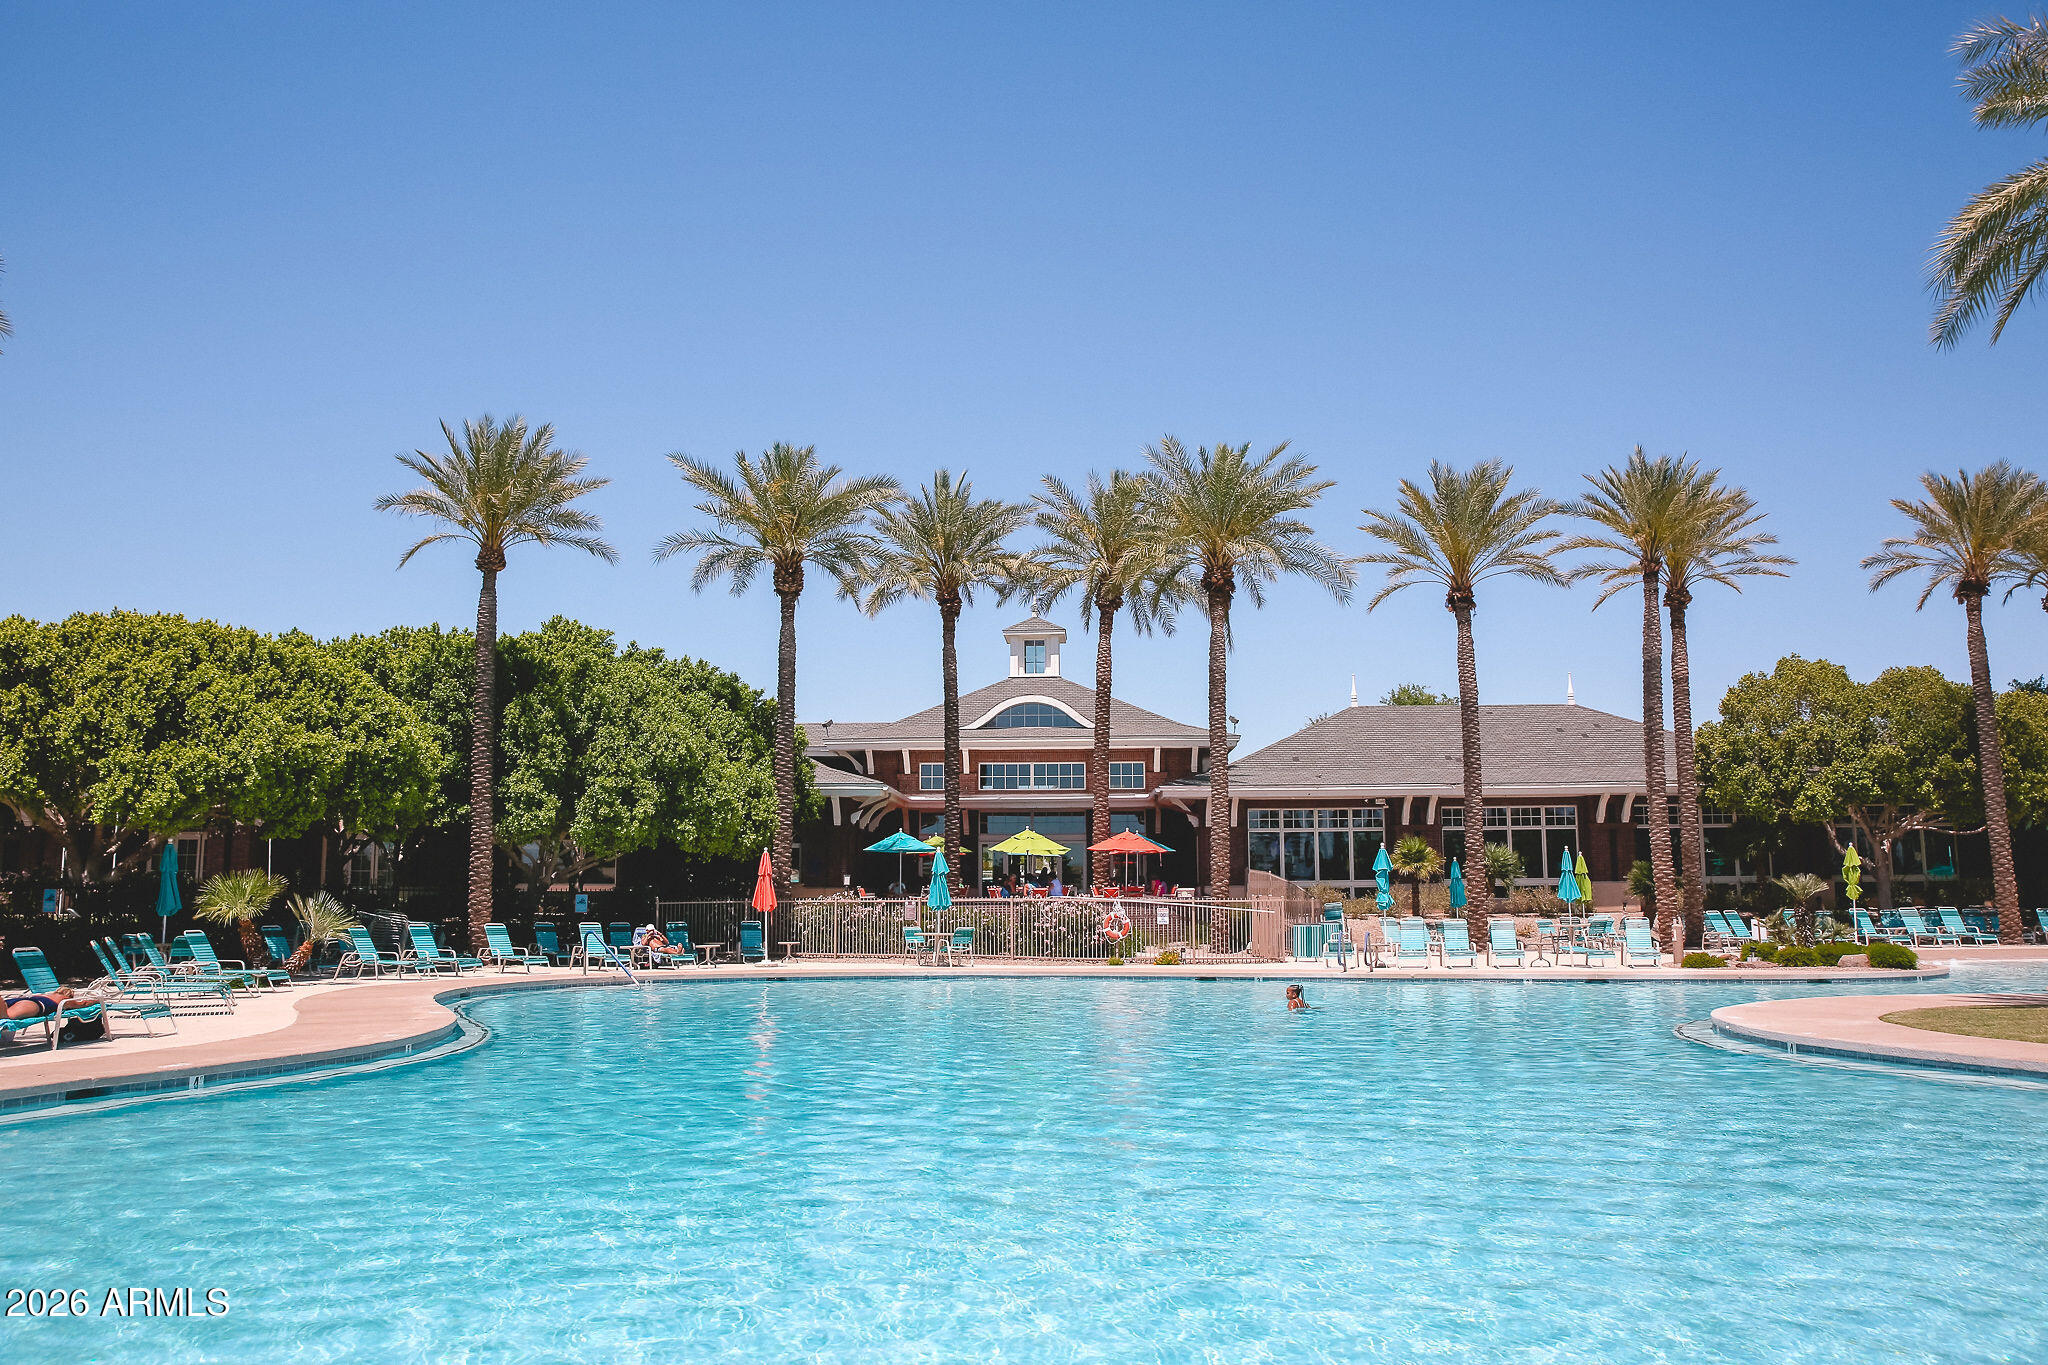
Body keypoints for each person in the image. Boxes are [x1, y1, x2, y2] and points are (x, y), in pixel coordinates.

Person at [4, 986, 80, 1020]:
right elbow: (84, 1003)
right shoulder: (65, 999)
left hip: (17, 1000)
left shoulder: (46, 994)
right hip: (32, 1004)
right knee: (6, 1016)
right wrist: (92, 1000)